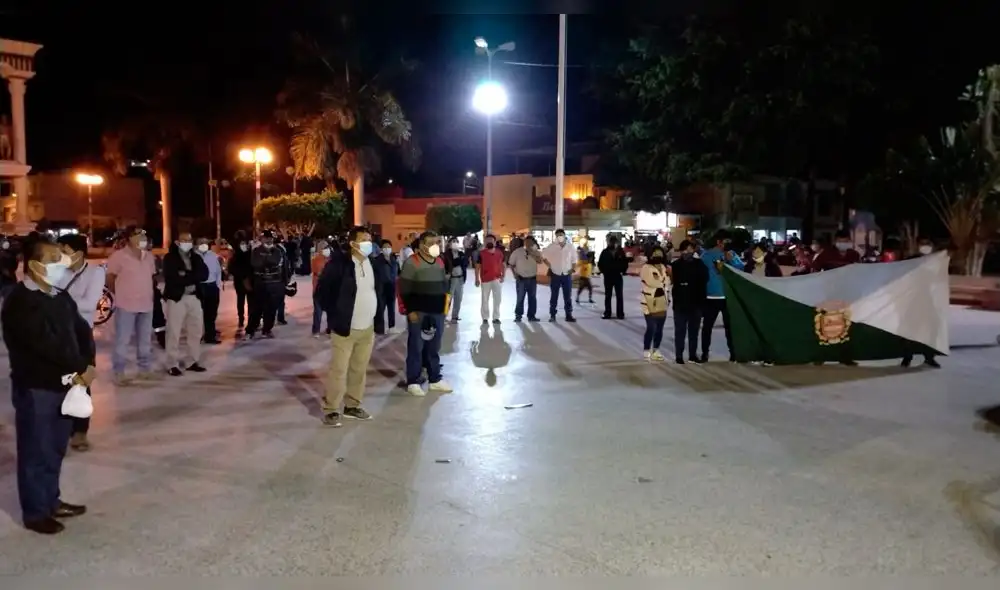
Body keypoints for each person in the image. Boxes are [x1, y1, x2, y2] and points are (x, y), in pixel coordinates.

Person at [3, 236, 94, 534]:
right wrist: (80, 366)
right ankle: (35, 512)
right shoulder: (19, 302)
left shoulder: (58, 295)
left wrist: (88, 365)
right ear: (34, 265)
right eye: (54, 259)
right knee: (36, 450)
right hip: (37, 388)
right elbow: (46, 345)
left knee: (54, 448)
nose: (62, 264)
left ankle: (51, 500)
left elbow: (81, 331)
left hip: (65, 384)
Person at [316, 227, 378, 426]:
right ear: (353, 243)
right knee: (339, 369)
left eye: (370, 239)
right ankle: (332, 408)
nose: (368, 243)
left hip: (367, 327)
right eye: (364, 240)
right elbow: (322, 293)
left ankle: (352, 405)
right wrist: (336, 314)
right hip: (345, 327)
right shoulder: (339, 265)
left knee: (359, 369)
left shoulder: (371, 263)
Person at [56, 234, 105, 452]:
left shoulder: (96, 273)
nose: (62, 256)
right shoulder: (58, 272)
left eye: (65, 251)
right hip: (58, 334)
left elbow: (89, 304)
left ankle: (80, 432)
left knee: (81, 383)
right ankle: (60, 427)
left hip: (81, 334)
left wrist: (60, 300)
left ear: (78, 252)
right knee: (58, 381)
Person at [398, 231, 453, 396]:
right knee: (416, 346)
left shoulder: (440, 262)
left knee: (434, 347)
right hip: (418, 312)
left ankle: (435, 379)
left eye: (437, 242)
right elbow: (404, 289)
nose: (435, 246)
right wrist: (410, 310)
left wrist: (445, 307)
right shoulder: (411, 262)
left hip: (437, 311)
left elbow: (444, 285)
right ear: (422, 245)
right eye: (431, 243)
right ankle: (413, 381)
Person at [105, 227, 157, 385]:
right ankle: (119, 372)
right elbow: (110, 279)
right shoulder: (118, 256)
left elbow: (152, 277)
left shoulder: (149, 257)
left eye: (143, 234)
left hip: (146, 304)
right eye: (138, 235)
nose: (142, 238)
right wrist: (120, 293)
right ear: (129, 239)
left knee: (145, 340)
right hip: (126, 305)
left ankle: (144, 369)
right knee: (122, 340)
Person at [162, 232, 209, 376]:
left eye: (189, 240)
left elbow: (204, 274)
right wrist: (192, 277)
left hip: (194, 298)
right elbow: (173, 278)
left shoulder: (196, 257)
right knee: (174, 332)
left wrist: (185, 275)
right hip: (177, 299)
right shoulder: (170, 258)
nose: (187, 243)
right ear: (177, 242)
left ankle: (192, 361)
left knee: (196, 331)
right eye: (184, 240)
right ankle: (172, 363)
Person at [699, 229, 744, 362]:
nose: (728, 244)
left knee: (730, 327)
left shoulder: (731, 254)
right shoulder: (706, 256)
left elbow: (741, 268)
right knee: (707, 327)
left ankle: (733, 353)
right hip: (711, 297)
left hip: (727, 296)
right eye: (726, 242)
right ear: (719, 242)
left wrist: (732, 261)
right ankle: (705, 353)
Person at [901, 238, 941, 368]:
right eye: (923, 245)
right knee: (909, 330)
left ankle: (929, 356)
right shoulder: (911, 260)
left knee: (931, 328)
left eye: (928, 244)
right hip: (912, 299)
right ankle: (907, 356)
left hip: (928, 299)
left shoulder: (935, 261)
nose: (925, 247)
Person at [245, 230, 287, 340]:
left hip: (274, 284)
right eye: (266, 238)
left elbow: (277, 263)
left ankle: (267, 329)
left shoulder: (278, 250)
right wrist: (267, 260)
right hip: (260, 284)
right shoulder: (256, 251)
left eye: (270, 238)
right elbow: (256, 264)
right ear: (262, 239)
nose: (268, 240)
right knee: (256, 309)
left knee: (271, 310)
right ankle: (250, 330)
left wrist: (285, 283)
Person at [670, 240, 708, 364]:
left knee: (694, 332)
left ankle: (692, 355)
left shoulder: (699, 264)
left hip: (696, 304)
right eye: (685, 250)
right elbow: (672, 281)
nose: (688, 252)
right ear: (681, 251)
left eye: (690, 249)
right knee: (680, 331)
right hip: (680, 304)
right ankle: (679, 356)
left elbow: (705, 279)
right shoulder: (676, 265)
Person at [640, 245, 671, 361]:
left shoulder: (663, 267)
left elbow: (667, 282)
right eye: (655, 254)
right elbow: (652, 282)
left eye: (660, 254)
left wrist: (664, 281)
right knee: (651, 327)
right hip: (649, 302)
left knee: (659, 328)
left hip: (662, 301)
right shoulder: (646, 268)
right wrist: (664, 281)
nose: (658, 256)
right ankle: (646, 349)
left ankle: (656, 349)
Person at [542, 228, 577, 322]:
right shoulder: (552, 246)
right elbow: (543, 256)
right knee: (554, 295)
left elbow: (574, 259)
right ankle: (552, 315)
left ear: (564, 235)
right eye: (558, 236)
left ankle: (568, 315)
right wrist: (549, 265)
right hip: (555, 274)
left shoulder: (570, 247)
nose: (559, 237)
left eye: (561, 235)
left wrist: (572, 269)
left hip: (566, 275)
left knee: (567, 296)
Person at [508, 236, 542, 322]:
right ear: (524, 243)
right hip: (521, 279)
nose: (528, 244)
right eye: (526, 242)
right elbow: (511, 264)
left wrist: (532, 253)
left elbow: (540, 261)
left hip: (532, 279)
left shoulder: (536, 251)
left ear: (533, 243)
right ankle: (518, 315)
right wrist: (514, 274)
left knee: (532, 298)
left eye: (530, 242)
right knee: (520, 298)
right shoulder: (517, 252)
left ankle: (531, 316)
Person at [197, 237, 222, 344]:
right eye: (201, 243)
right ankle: (202, 335)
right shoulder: (194, 256)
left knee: (211, 313)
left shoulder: (213, 256)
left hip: (212, 286)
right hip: (199, 287)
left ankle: (210, 334)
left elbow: (218, 271)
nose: (204, 245)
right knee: (198, 314)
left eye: (205, 243)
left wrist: (217, 285)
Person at [371, 238, 400, 334]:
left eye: (389, 247)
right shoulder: (377, 261)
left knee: (391, 308)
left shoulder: (394, 259)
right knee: (380, 309)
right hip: (381, 288)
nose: (387, 249)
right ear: (381, 249)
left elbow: (397, 272)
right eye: (385, 247)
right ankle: (379, 329)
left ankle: (392, 327)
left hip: (391, 287)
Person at [476, 233, 505, 325]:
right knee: (485, 299)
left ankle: (496, 317)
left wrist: (503, 275)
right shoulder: (481, 254)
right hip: (485, 279)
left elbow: (503, 265)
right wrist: (477, 278)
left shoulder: (499, 253)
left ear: (494, 242)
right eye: (487, 240)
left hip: (497, 278)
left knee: (497, 299)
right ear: (485, 242)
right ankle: (485, 317)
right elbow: (477, 267)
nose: (489, 242)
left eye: (491, 240)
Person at [598, 235, 629, 319]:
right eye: (611, 242)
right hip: (608, 277)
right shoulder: (604, 252)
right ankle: (607, 313)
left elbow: (625, 263)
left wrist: (623, 271)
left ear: (616, 242)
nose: (612, 243)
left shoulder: (620, 252)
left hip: (618, 276)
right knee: (608, 295)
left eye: (614, 242)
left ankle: (620, 314)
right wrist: (604, 272)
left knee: (619, 296)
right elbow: (600, 263)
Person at [229, 230, 253, 332]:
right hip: (240, 282)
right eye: (242, 243)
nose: (244, 245)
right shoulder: (235, 255)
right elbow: (232, 268)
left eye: (245, 243)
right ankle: (241, 319)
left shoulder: (250, 254)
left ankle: (251, 320)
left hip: (250, 282)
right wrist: (241, 275)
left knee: (251, 302)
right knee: (241, 301)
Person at [443, 237, 469, 322]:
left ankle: (455, 316)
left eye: (456, 241)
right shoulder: (446, 254)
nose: (455, 243)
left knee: (459, 298)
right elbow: (451, 264)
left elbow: (465, 263)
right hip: (451, 279)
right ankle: (444, 315)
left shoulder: (461, 253)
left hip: (460, 278)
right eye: (453, 241)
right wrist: (458, 261)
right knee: (448, 298)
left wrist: (458, 260)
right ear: (449, 244)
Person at [310, 239, 331, 337]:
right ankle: (316, 330)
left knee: (331, 310)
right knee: (318, 311)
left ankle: (330, 329)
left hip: (329, 288)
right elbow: (318, 272)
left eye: (327, 247)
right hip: (318, 287)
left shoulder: (331, 258)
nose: (327, 249)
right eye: (325, 247)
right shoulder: (316, 259)